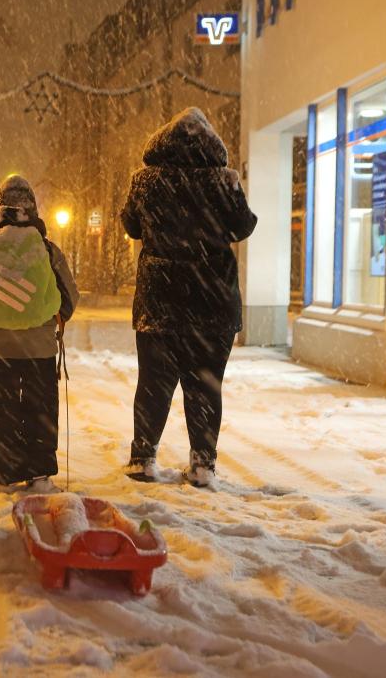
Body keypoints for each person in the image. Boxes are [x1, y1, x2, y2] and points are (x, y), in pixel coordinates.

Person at [120, 107, 257, 487]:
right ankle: (202, 464)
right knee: (205, 385)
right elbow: (243, 226)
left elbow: (131, 225)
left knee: (153, 383)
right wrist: (229, 192)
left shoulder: (146, 182)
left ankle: (143, 457)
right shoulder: (221, 181)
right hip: (211, 301)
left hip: (160, 299)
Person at [0, 176, 79, 493]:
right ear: (33, 209)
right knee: (40, 411)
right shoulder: (46, 249)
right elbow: (69, 297)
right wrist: (48, 322)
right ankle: (39, 475)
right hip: (39, 349)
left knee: (3, 411)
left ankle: (2, 474)